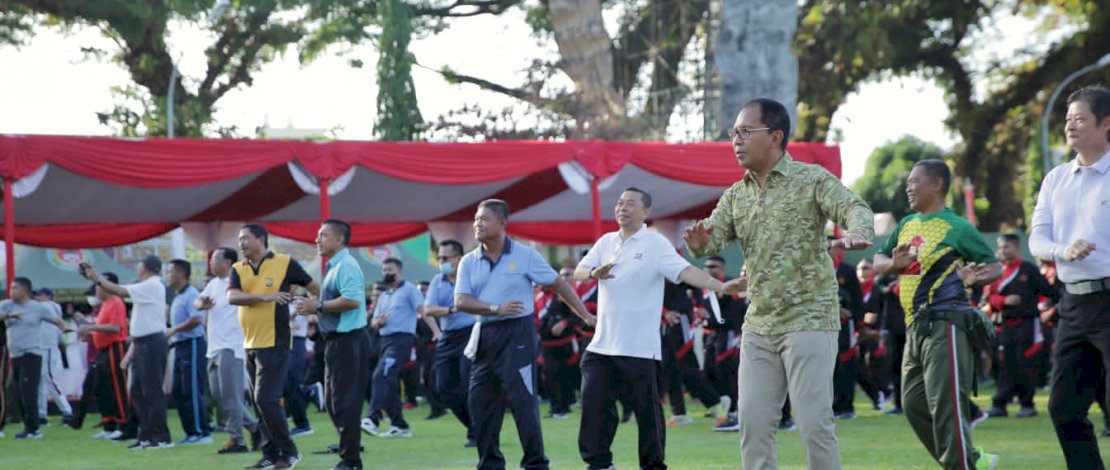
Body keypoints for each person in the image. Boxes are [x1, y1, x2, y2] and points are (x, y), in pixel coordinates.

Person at [683, 98, 874, 469]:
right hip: (759, 324)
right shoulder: (736, 195)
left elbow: (855, 207)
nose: (735, 140)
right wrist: (698, 243)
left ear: (775, 137)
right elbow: (711, 236)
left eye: (744, 131)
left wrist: (859, 231)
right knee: (752, 426)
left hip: (810, 317)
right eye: (732, 133)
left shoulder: (811, 179)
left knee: (813, 424)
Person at [574, 187, 745, 470]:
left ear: (645, 212)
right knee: (593, 407)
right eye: (619, 203)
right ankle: (599, 464)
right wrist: (594, 273)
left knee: (648, 414)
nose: (622, 207)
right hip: (602, 345)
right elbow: (580, 271)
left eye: (630, 203)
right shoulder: (605, 242)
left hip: (640, 347)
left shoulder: (655, 244)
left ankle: (653, 465)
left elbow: (686, 271)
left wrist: (720, 286)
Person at [873, 159, 1002, 470]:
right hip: (913, 328)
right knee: (913, 404)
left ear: (938, 184)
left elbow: (993, 265)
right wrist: (893, 265)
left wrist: (977, 277)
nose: (909, 186)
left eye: (916, 180)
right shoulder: (905, 224)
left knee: (947, 408)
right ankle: (970, 460)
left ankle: (963, 465)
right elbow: (878, 259)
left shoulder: (957, 227)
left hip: (945, 324)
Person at [455, 199, 595, 470]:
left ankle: (535, 463)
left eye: (483, 219)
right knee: (479, 402)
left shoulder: (525, 255)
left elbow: (558, 284)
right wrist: (495, 308)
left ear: (502, 223)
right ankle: (490, 463)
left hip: (517, 334)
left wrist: (585, 316)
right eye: (476, 219)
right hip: (485, 334)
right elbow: (461, 301)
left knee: (522, 400)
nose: (477, 224)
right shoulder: (468, 261)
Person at [1029, 84, 1110, 470]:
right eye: (1067, 120)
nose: (1070, 126)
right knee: (1063, 408)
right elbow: (1038, 240)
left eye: (1080, 119)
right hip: (1073, 304)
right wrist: (1063, 251)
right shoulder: (1055, 179)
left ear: (1106, 124)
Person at [229, 223, 318, 469]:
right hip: (249, 343)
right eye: (239, 239)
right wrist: (264, 297)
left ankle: (289, 452)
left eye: (245, 238)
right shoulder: (238, 268)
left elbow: (314, 288)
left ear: (261, 239)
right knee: (259, 402)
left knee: (265, 398)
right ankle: (270, 455)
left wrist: (313, 307)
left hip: (276, 342)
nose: (241, 243)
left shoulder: (285, 262)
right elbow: (232, 297)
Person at [292, 219, 370, 470]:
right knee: (334, 402)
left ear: (339, 239)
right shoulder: (334, 267)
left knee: (345, 402)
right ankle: (350, 447)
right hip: (335, 342)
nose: (317, 240)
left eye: (323, 235)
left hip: (349, 341)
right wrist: (314, 310)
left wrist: (318, 306)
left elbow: (353, 301)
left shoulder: (346, 265)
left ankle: (351, 460)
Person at [82, 255, 174, 450]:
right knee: (137, 391)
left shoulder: (152, 285)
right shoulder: (146, 286)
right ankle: (147, 435)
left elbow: (120, 291)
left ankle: (162, 436)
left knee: (152, 390)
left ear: (146, 267)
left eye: (139, 264)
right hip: (142, 343)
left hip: (151, 342)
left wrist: (97, 278)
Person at [982, 234, 1056, 419]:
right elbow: (988, 298)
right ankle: (1000, 403)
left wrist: (1047, 309)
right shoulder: (997, 271)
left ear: (1016, 247)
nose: (1003, 251)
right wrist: (1003, 300)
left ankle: (1027, 403)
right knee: (1003, 364)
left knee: (1026, 363)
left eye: (1006, 247)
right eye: (1000, 248)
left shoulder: (1028, 270)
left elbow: (1050, 292)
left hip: (1028, 324)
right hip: (1004, 325)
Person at [196, 247, 259, 454]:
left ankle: (237, 440)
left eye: (215, 260)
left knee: (231, 397)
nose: (211, 263)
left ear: (228, 262)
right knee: (219, 396)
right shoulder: (214, 284)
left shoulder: (239, 283)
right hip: (213, 347)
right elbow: (198, 301)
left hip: (231, 346)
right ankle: (256, 428)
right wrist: (201, 304)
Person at [422, 239, 477, 447]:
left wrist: (455, 307)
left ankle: (478, 432)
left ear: (460, 258)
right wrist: (452, 309)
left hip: (470, 333)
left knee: (466, 386)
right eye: (439, 258)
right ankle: (473, 427)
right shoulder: (438, 280)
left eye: (446, 258)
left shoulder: (472, 276)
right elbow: (429, 310)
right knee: (443, 387)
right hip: (448, 335)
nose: (442, 261)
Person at [1, 277, 69, 439]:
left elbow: (56, 320)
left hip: (32, 353)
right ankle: (27, 426)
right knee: (16, 391)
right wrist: (10, 314)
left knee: (28, 391)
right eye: (11, 288)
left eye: (15, 288)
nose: (12, 291)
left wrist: (65, 329)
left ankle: (34, 429)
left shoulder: (38, 308)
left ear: (25, 290)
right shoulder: (7, 305)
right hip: (14, 354)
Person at [364, 257, 423, 438]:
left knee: (380, 376)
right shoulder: (384, 295)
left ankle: (373, 418)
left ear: (399, 271)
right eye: (384, 270)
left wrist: (437, 331)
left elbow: (423, 311)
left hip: (401, 340)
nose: (386, 273)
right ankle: (400, 425)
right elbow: (374, 321)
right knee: (388, 381)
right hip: (384, 340)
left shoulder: (409, 289)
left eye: (390, 270)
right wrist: (378, 322)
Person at [74, 273, 136, 439]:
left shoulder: (116, 302)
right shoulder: (105, 305)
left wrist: (91, 328)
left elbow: (115, 328)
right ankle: (109, 424)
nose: (96, 289)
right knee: (104, 389)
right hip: (103, 350)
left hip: (115, 348)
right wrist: (90, 330)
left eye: (99, 285)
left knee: (118, 388)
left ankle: (125, 425)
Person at [164, 259, 212, 445]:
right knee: (178, 391)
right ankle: (191, 432)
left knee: (192, 390)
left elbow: (197, 319)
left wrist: (174, 330)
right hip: (180, 346)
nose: (168, 276)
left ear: (181, 274)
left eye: (170, 272)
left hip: (192, 344)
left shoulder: (191, 293)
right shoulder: (177, 296)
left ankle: (202, 433)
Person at [33, 287, 75, 428]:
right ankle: (41, 415)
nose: (37, 297)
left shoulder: (49, 305)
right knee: (41, 383)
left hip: (48, 348)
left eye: (40, 295)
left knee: (51, 381)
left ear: (48, 296)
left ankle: (68, 412)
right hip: (43, 348)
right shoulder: (46, 306)